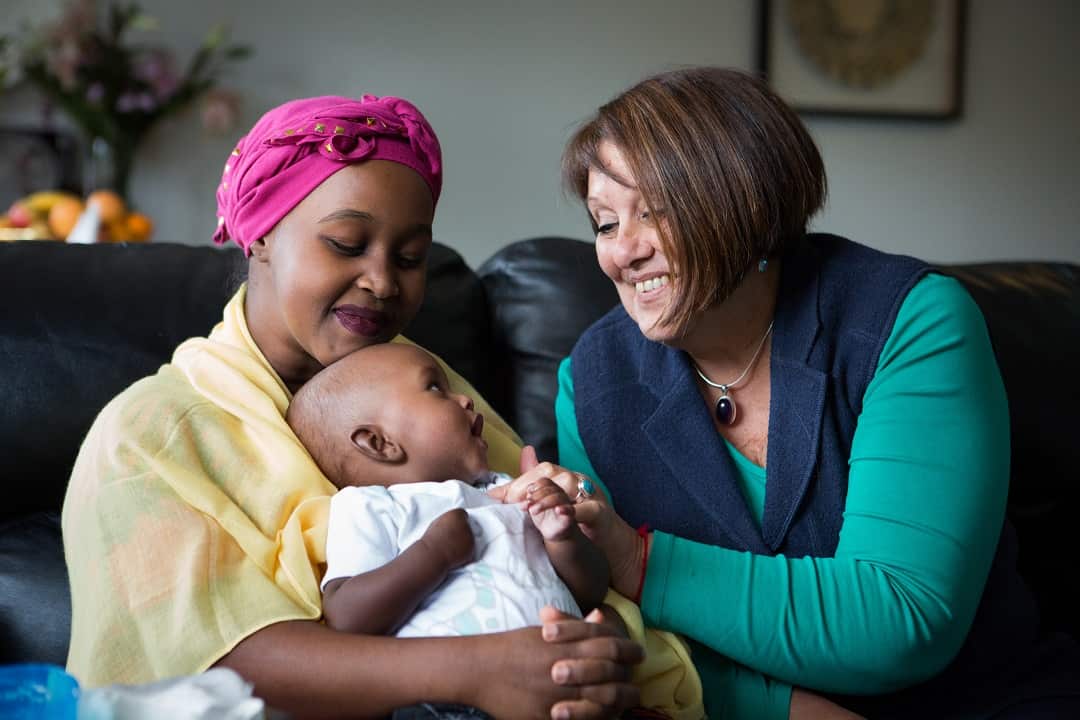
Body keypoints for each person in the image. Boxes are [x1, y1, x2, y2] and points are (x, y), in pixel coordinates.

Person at [61, 93, 645, 719]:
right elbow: (212, 660)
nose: (384, 280)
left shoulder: (434, 381)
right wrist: (478, 670)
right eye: (345, 242)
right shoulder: (148, 435)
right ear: (259, 233)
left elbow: (544, 562)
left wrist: (583, 644)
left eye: (412, 257)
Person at [551, 66, 1080, 719]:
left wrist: (640, 562)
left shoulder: (911, 322)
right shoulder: (591, 382)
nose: (621, 252)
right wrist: (782, 710)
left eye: (654, 212)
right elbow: (620, 637)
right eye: (605, 223)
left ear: (748, 203)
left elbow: (901, 616)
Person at [287, 342, 702, 720]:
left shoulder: (503, 492)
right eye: (435, 389)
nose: (465, 398)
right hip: (448, 704)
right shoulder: (373, 507)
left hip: (566, 690)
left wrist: (562, 539)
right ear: (379, 443)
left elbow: (589, 590)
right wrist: (433, 554)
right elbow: (345, 616)